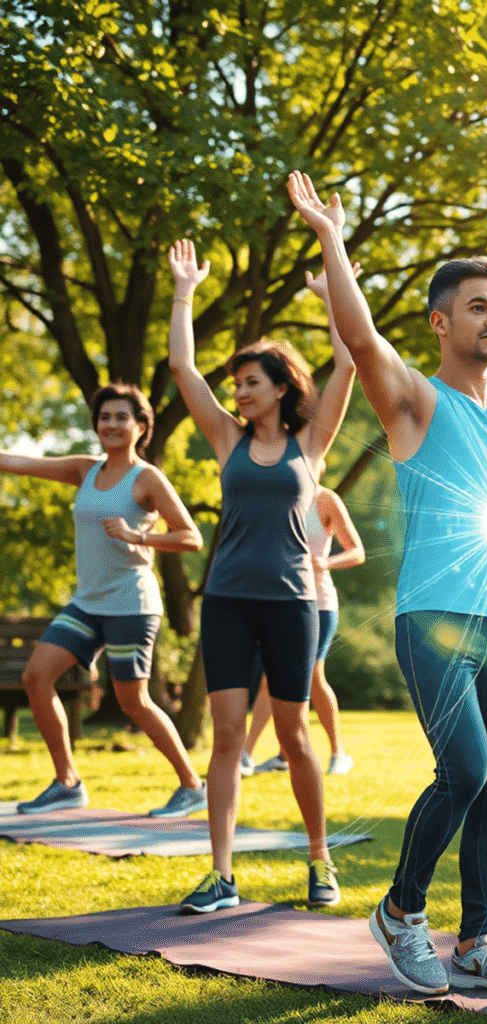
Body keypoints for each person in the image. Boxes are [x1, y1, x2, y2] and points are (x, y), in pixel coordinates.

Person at [288, 170, 487, 997]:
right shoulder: (417, 406)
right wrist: (333, 239)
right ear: (441, 322)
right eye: (479, 306)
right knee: (465, 770)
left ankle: (479, 939)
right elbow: (362, 342)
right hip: (436, 614)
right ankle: (402, 912)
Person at [167, 238, 356, 914]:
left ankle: (319, 859)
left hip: (291, 604)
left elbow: (348, 360)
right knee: (224, 738)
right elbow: (183, 366)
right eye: (237, 383)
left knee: (295, 736)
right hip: (226, 602)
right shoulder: (226, 439)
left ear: (280, 387)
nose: (239, 392)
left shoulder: (312, 443)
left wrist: (334, 297)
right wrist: (185, 290)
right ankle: (221, 874)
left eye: (251, 382)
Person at [2, 384, 206, 817]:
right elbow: (18, 462)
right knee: (37, 677)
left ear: (141, 427)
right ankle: (67, 782)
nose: (111, 425)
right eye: (104, 417)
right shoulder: (84, 470)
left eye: (121, 417)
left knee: (134, 701)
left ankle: (192, 786)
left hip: (131, 603)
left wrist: (140, 537)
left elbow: (191, 536)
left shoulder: (147, 478)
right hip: (88, 603)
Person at [241, 271, 367, 779]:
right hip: (280, 599)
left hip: (320, 601)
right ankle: (272, 751)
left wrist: (324, 561)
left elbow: (356, 552)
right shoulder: (265, 488)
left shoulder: (327, 499)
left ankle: (335, 752)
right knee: (283, 679)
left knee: (306, 679)